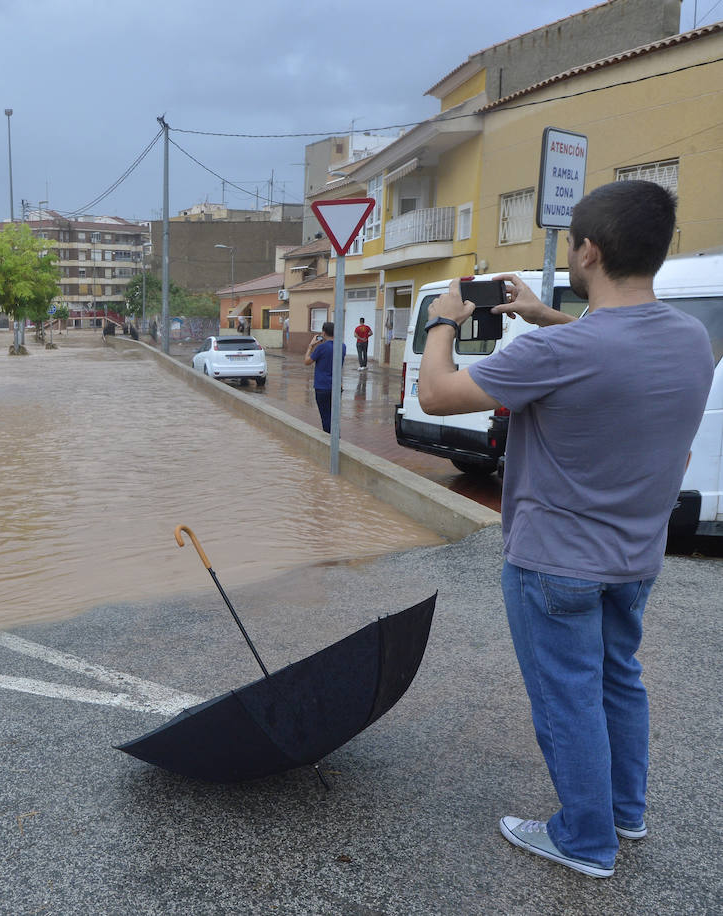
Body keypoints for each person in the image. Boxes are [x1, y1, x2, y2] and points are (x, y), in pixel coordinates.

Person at [417, 180, 713, 879]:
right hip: (637, 557)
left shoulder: (554, 356)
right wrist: (545, 312)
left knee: (567, 699)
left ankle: (583, 841)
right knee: (618, 681)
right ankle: (622, 812)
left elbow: (436, 393)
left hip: (554, 564)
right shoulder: (691, 339)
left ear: (587, 249)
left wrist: (441, 320)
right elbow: (607, 346)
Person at [303, 321, 345, 433]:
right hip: (336, 387)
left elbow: (307, 361)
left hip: (322, 387)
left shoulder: (321, 348)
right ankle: (336, 437)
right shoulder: (343, 346)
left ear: (324, 333)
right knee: (334, 415)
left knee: (325, 416)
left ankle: (330, 440)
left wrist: (310, 346)